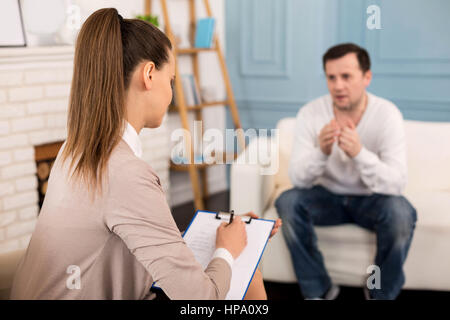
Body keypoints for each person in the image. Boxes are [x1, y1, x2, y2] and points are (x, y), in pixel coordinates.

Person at [10, 8, 280, 300]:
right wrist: (227, 250)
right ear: (149, 74)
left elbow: (133, 226)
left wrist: (219, 235)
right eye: (172, 80)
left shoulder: (74, 149)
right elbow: (203, 299)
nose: (172, 92)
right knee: (247, 274)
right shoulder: (125, 172)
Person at [275, 43, 417, 300]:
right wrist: (322, 151)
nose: (338, 86)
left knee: (401, 213)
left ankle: (381, 292)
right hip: (327, 198)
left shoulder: (387, 115)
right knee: (287, 201)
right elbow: (297, 179)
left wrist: (359, 154)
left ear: (367, 77)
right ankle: (319, 290)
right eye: (331, 77)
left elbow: (397, 183)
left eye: (346, 76)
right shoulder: (310, 113)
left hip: (372, 200)